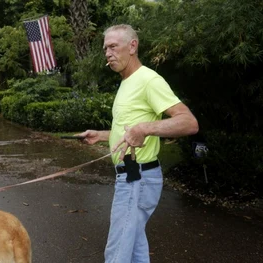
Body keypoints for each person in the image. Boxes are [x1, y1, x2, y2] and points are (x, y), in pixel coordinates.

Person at [76, 24, 199, 263]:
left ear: (133, 46)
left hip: (137, 178)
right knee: (134, 248)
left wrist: (146, 128)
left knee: (117, 250)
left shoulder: (148, 80)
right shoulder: (127, 81)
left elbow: (188, 122)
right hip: (133, 176)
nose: (108, 53)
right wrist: (101, 135)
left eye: (113, 46)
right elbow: (128, 128)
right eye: (105, 49)